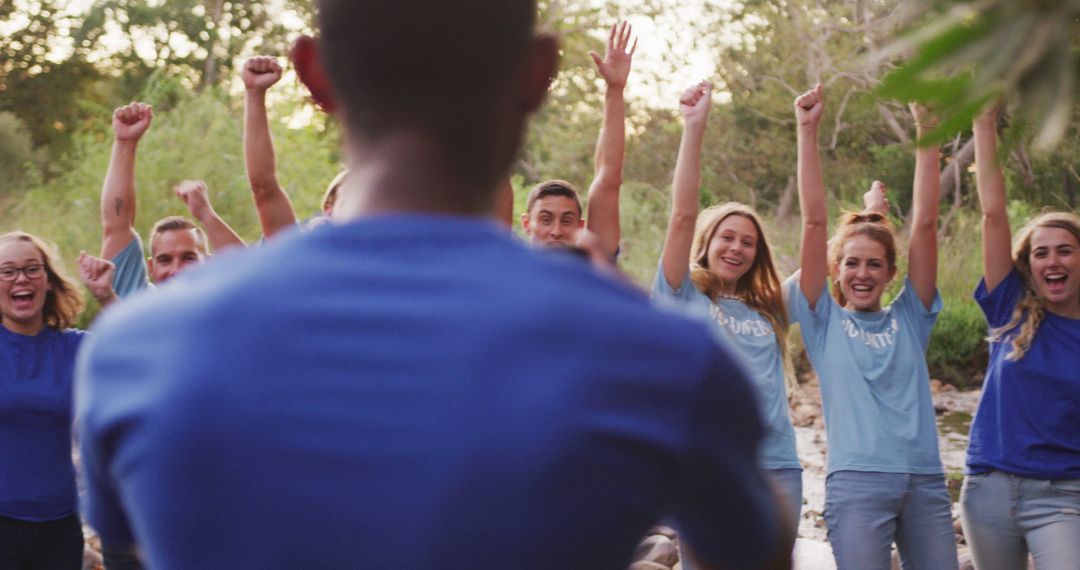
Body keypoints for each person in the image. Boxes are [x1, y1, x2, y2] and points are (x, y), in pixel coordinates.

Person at [76, 1, 793, 568]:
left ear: (314, 73)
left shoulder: (135, 349)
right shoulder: (653, 357)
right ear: (536, 74)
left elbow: (127, 540)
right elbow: (753, 549)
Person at [789, 85, 957, 569]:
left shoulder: (911, 315)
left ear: (890, 273)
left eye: (874, 265)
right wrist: (807, 130)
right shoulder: (823, 321)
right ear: (835, 270)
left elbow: (925, 225)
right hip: (857, 485)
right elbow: (815, 224)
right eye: (852, 264)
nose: (862, 273)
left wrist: (927, 131)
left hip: (924, 481)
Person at [652, 81, 802, 557]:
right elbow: (681, 214)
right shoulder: (681, 293)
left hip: (778, 466)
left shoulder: (771, 306)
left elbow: (820, 250)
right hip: (710, 465)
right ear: (707, 241)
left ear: (757, 254)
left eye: (748, 242)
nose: (736, 248)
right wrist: (693, 128)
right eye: (727, 237)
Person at [959, 105, 1080, 570]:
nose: (1052, 261)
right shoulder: (1008, 309)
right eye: (1040, 253)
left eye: (1065, 251)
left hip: (1063, 496)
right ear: (1028, 265)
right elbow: (992, 214)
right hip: (988, 491)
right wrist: (984, 123)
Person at [0, 231, 87, 569]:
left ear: (48, 281)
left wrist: (106, 294)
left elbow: (138, 351)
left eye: (32, 269)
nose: (21, 278)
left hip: (61, 526)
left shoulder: (73, 348)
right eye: (7, 271)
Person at [100, 102, 244, 300]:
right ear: (151, 267)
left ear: (209, 262)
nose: (176, 270)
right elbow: (116, 226)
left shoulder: (226, 304)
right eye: (165, 260)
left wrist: (206, 214)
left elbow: (246, 269)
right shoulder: (140, 305)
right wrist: (124, 143)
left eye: (189, 258)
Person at [520, 21, 635, 259]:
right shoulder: (506, 268)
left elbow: (608, 181)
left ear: (581, 226)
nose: (556, 231)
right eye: (545, 219)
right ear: (526, 223)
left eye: (567, 220)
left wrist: (615, 91)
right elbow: (497, 182)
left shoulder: (593, 266)